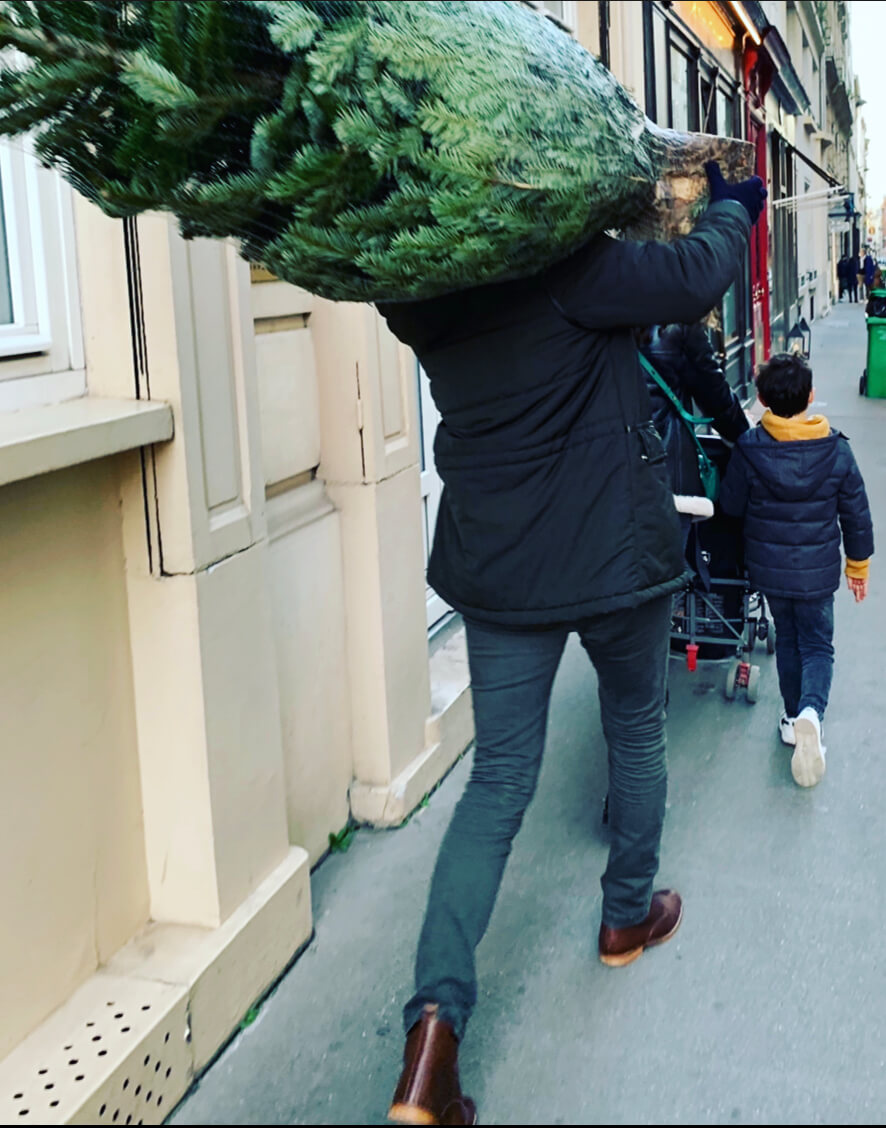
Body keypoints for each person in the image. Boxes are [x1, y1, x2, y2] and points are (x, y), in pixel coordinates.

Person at [377, 161, 766, 1126]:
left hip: (500, 565)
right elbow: (695, 277)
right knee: (634, 724)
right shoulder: (571, 270)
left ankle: (431, 1041)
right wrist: (732, 204)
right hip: (609, 556)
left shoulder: (416, 291)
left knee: (498, 780)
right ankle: (626, 916)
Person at [720, 353, 873, 790]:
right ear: (811, 397)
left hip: (770, 574)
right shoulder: (836, 449)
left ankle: (791, 718)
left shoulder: (750, 449)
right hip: (818, 573)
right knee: (818, 646)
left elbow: (731, 507)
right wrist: (857, 567)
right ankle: (811, 713)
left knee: (787, 639)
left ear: (763, 399)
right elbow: (856, 515)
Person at [640, 321, 750, 536]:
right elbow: (715, 396)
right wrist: (747, 438)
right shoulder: (675, 321)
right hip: (666, 473)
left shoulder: (588, 312)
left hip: (605, 474)